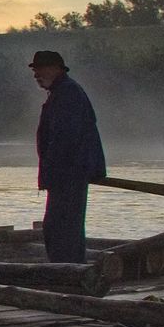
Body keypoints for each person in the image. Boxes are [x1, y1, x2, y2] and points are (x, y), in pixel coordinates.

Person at [30, 50, 107, 264]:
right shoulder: (60, 93)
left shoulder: (68, 93)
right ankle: (67, 271)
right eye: (35, 70)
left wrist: (52, 171)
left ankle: (69, 273)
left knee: (62, 229)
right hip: (64, 175)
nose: (36, 74)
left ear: (56, 69)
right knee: (57, 228)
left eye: (40, 69)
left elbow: (65, 138)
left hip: (69, 174)